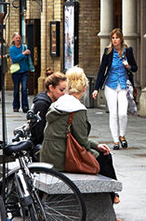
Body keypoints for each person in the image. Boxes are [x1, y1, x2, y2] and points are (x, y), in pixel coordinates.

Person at [40, 67, 119, 203]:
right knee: (105, 157)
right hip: (62, 157)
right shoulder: (76, 108)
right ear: (84, 89)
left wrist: (95, 145)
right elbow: (82, 141)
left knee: (99, 154)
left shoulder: (58, 104)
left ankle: (112, 198)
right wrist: (97, 146)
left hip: (48, 154)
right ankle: (109, 202)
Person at [93, 28, 138, 150]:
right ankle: (115, 140)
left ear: (121, 39)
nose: (114, 40)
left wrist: (128, 66)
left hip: (123, 85)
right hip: (110, 85)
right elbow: (102, 71)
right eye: (112, 38)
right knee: (113, 114)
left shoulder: (128, 51)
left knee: (122, 113)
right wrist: (96, 88)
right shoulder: (108, 52)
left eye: (117, 38)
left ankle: (122, 136)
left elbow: (135, 68)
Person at [30, 71, 67, 147]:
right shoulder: (42, 104)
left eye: (65, 90)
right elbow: (39, 132)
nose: (64, 93)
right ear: (51, 88)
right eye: (61, 90)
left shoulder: (54, 101)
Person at [8, 32, 32, 112]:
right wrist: (23, 54)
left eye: (19, 38)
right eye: (16, 38)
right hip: (16, 72)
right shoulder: (12, 49)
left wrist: (27, 53)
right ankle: (16, 106)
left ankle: (25, 106)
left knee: (24, 88)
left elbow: (27, 58)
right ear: (13, 39)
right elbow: (14, 59)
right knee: (16, 89)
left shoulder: (24, 47)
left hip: (24, 71)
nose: (18, 39)